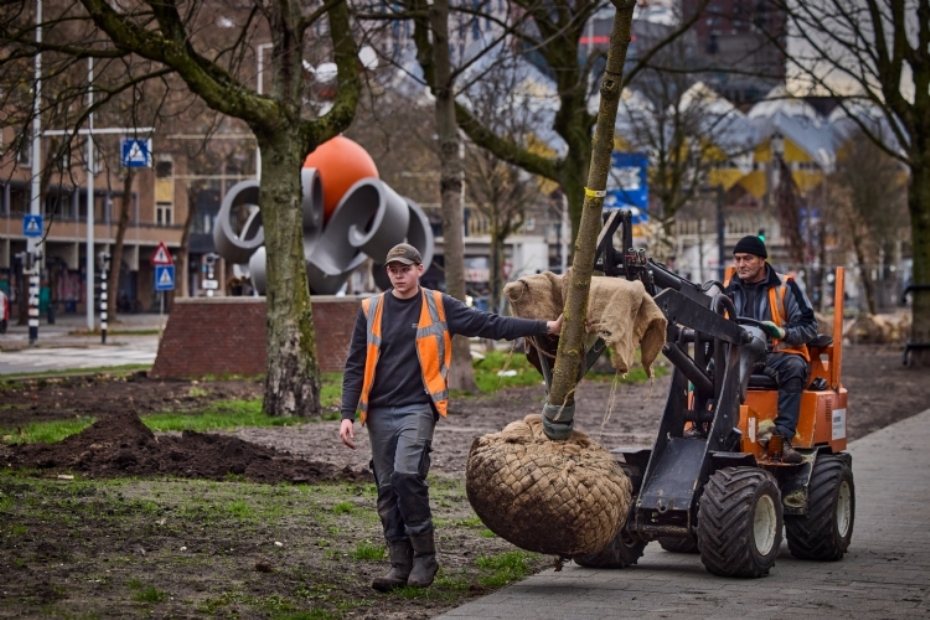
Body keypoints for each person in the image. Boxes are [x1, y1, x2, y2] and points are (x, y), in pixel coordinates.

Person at [339, 243, 562, 592]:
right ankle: (399, 565)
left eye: (405, 269)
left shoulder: (439, 305)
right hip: (378, 412)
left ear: (419, 269)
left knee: (406, 475)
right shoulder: (371, 309)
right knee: (386, 490)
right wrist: (346, 414)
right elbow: (355, 364)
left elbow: (490, 324)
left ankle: (425, 558)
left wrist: (546, 326)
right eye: (393, 270)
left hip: (418, 408)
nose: (399, 276)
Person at [725, 236, 817, 464]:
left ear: (762, 260)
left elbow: (809, 326)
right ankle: (711, 430)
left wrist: (782, 333)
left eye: (747, 258)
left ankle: (781, 439)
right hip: (739, 356)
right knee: (706, 369)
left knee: (794, 367)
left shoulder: (786, 287)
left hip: (775, 356)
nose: (741, 264)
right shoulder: (728, 290)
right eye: (737, 259)